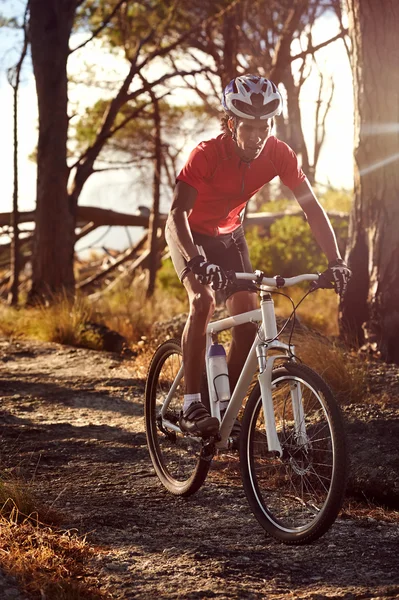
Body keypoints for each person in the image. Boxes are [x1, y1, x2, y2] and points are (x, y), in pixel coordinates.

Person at [165, 74, 351, 438]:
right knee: (202, 301)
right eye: (249, 127)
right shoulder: (206, 155)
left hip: (231, 236)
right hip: (190, 234)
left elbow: (312, 209)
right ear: (231, 123)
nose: (257, 136)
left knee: (248, 324)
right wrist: (198, 261)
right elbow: (177, 215)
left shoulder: (279, 153)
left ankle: (224, 409)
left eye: (263, 126)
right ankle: (190, 404)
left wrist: (337, 260)